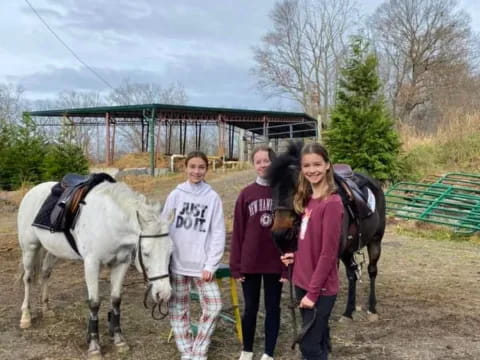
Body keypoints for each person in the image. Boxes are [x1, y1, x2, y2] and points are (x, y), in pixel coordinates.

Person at [280, 143, 343, 360]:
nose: (312, 170)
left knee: (308, 347)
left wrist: (313, 293)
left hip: (320, 289)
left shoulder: (332, 204)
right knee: (317, 342)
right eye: (307, 165)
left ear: (327, 165)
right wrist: (296, 257)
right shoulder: (309, 201)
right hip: (302, 281)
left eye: (317, 164)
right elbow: (310, 244)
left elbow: (328, 254)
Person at [162, 151, 226, 360]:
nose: (196, 171)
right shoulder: (176, 194)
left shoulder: (212, 197)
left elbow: (218, 232)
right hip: (177, 263)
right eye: (192, 167)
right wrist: (164, 262)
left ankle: (199, 351)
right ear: (185, 168)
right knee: (178, 308)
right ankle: (186, 351)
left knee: (214, 306)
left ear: (206, 169)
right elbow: (163, 228)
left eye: (201, 167)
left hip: (201, 266)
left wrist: (211, 265)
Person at [230, 145, 287, 360]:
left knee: (273, 307)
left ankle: (268, 352)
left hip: (275, 261)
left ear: (274, 163)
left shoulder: (283, 191)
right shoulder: (246, 194)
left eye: (267, 160)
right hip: (250, 262)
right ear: (253, 165)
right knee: (250, 308)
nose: (263, 165)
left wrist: (286, 268)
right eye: (258, 161)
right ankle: (247, 349)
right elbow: (238, 232)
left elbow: (290, 231)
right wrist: (236, 265)